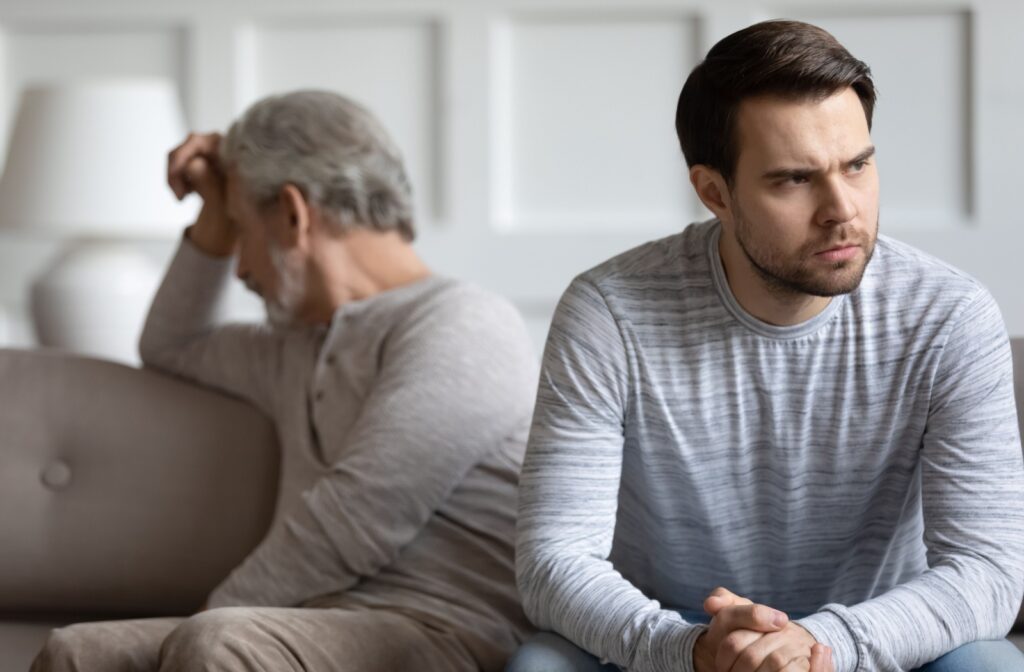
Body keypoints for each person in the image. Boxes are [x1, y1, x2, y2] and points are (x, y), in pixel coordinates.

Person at [509, 19, 1024, 672]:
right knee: (541, 665)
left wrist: (825, 645)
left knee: (990, 665)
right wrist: (691, 648)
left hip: (879, 635)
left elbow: (987, 568)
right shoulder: (608, 313)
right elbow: (554, 561)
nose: (843, 208)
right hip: (683, 637)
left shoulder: (949, 316)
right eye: (793, 180)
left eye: (858, 165)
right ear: (714, 192)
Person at [31, 90, 538, 672]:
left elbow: (353, 522)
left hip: (443, 632)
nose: (240, 267)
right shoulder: (293, 347)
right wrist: (212, 220)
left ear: (294, 215)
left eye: (240, 231)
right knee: (75, 651)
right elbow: (171, 346)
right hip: (304, 623)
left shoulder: (464, 322)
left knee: (217, 642)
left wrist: (197, 629)